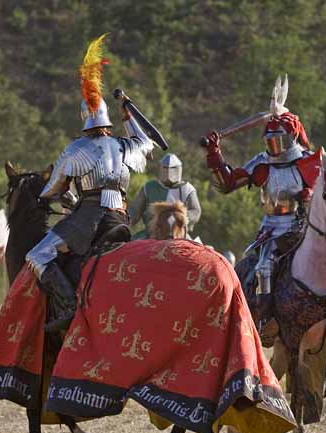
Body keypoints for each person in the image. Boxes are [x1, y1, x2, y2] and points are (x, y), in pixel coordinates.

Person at [204, 75, 326, 351]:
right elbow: (228, 183)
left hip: (303, 227)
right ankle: (263, 324)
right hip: (271, 229)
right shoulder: (262, 164)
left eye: (278, 140)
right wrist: (215, 155)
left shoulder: (310, 162)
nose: (273, 147)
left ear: (291, 136)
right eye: (269, 141)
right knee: (261, 267)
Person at [26, 35, 153, 332]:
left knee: (37, 255)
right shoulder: (125, 145)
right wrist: (128, 113)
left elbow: (51, 191)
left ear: (84, 121)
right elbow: (146, 143)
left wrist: (61, 199)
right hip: (121, 218)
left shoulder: (76, 150)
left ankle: (69, 305)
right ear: (109, 122)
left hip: (88, 221)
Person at [129, 154, 201, 239]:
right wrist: (124, 224)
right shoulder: (149, 187)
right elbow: (134, 211)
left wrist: (180, 217)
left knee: (199, 251)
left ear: (178, 169)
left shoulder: (187, 189)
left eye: (173, 168)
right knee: (127, 249)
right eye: (165, 168)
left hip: (179, 234)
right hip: (150, 234)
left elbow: (196, 211)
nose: (168, 172)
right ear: (161, 168)